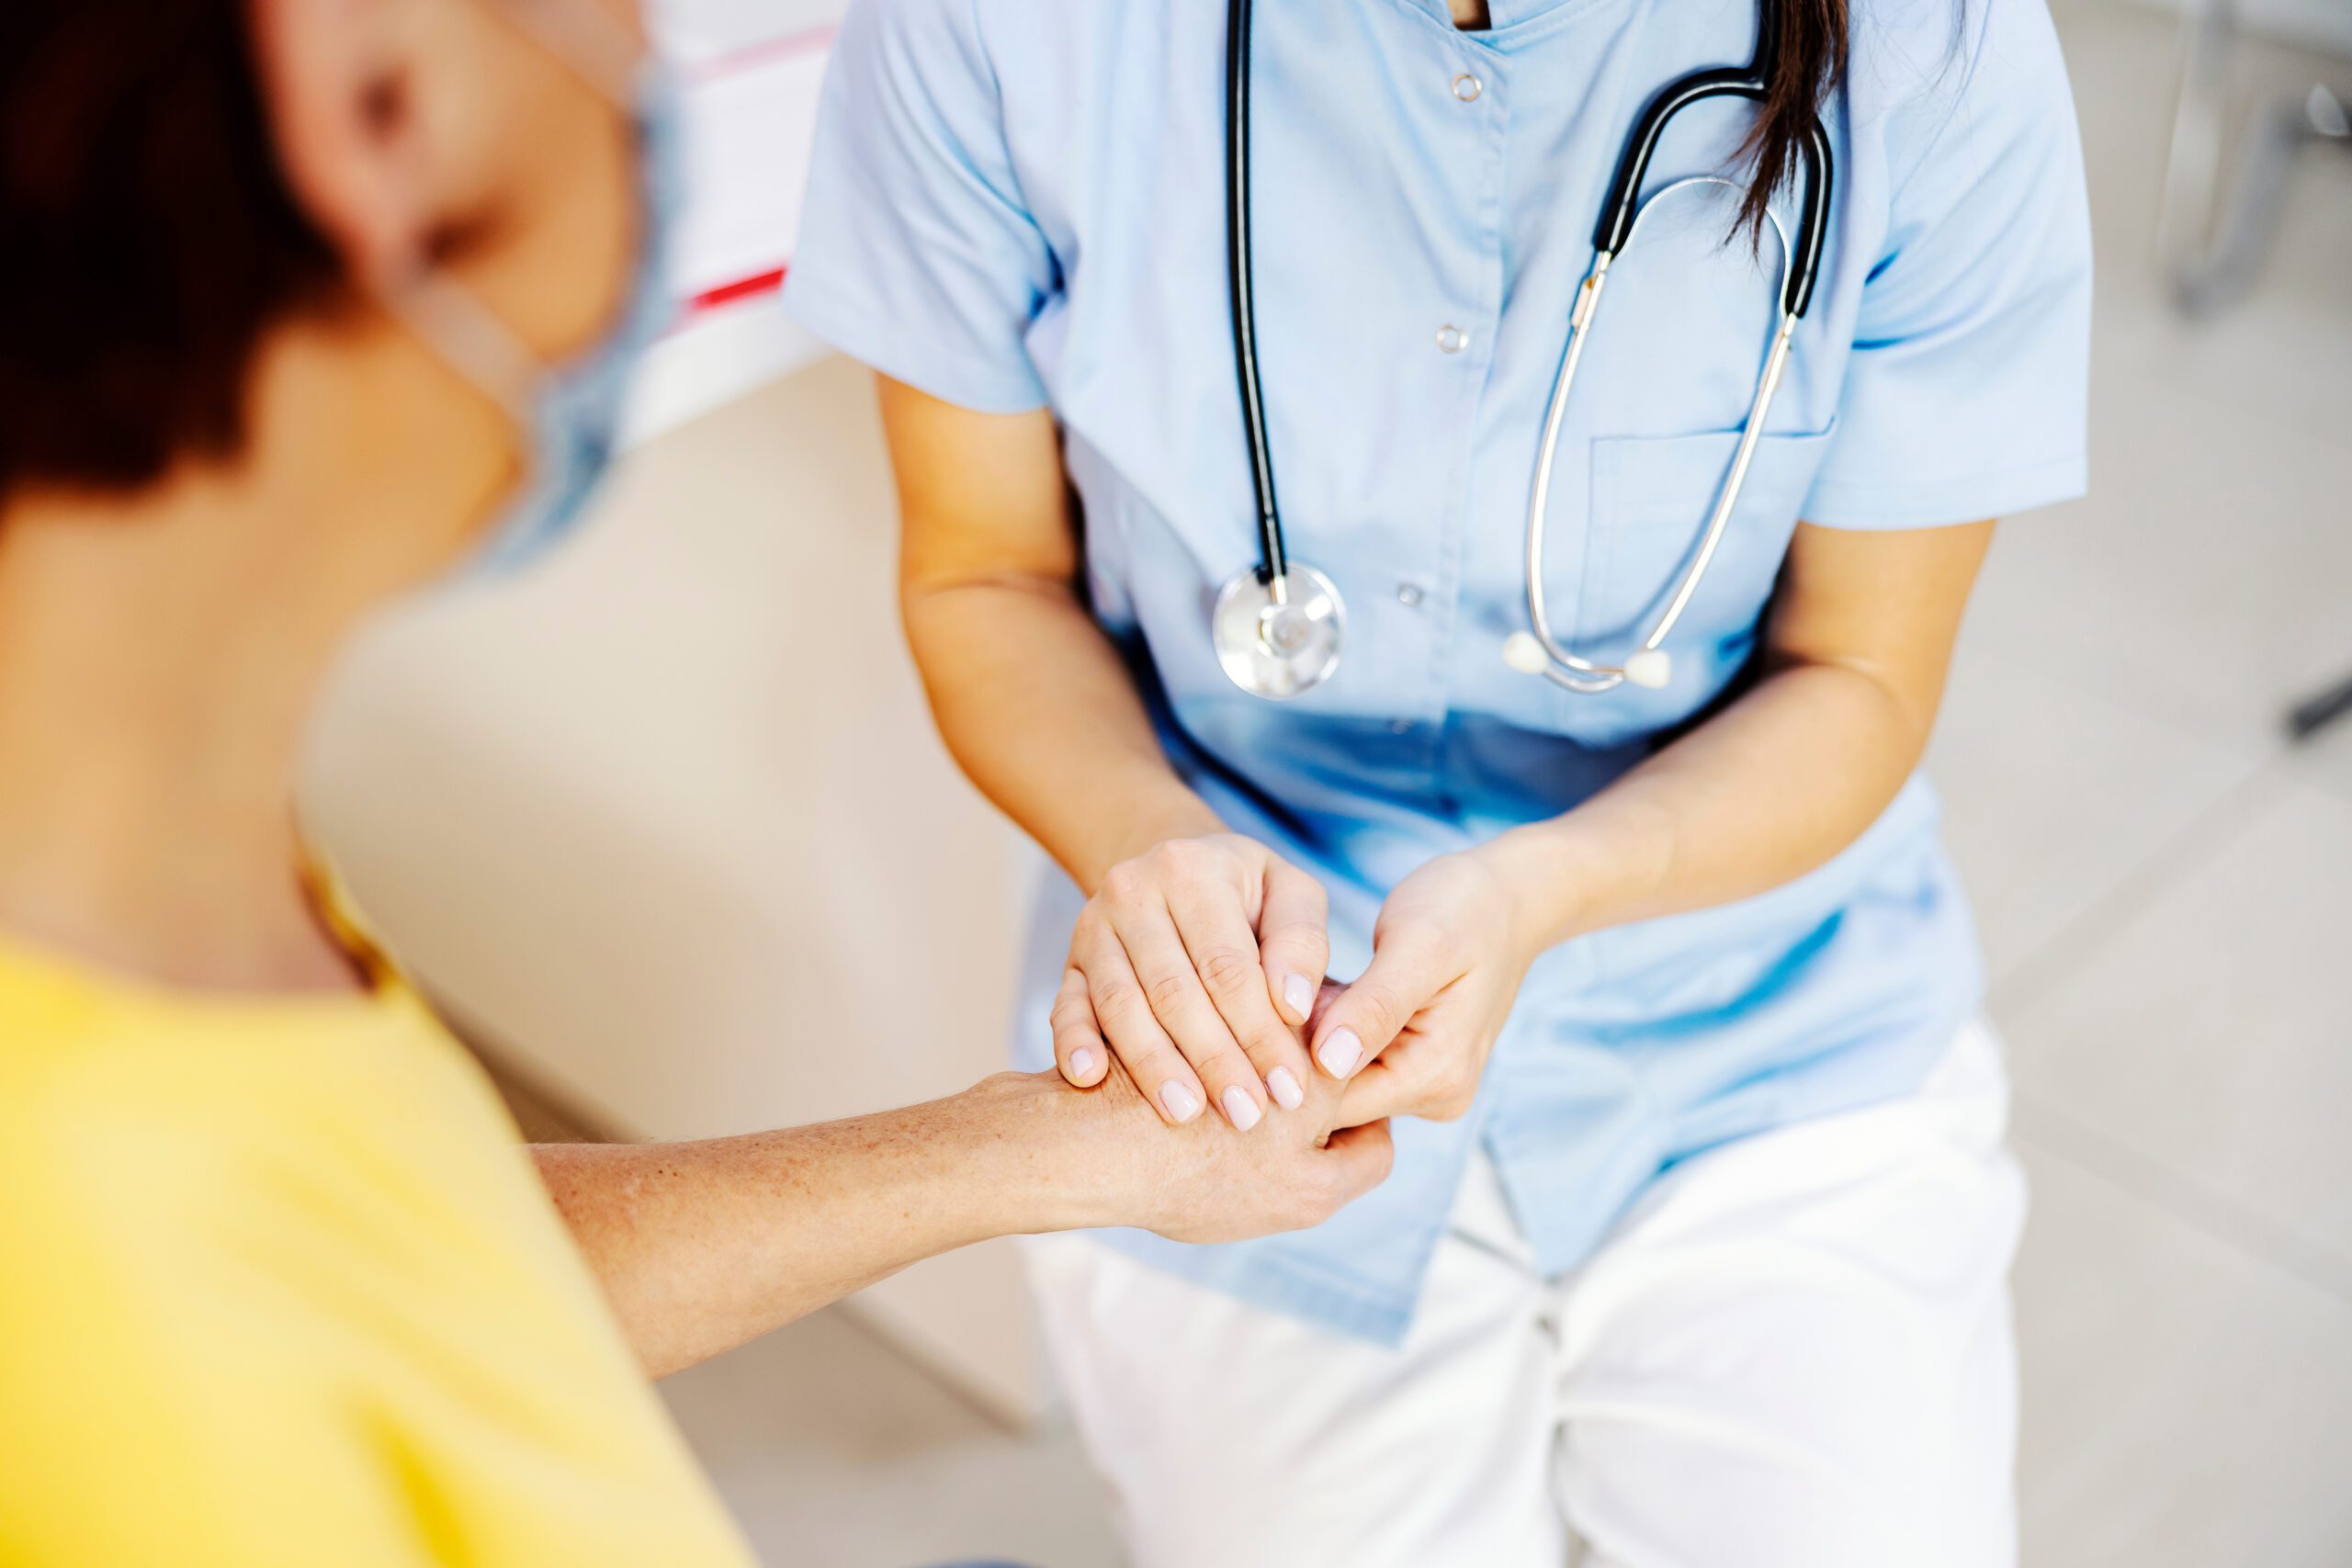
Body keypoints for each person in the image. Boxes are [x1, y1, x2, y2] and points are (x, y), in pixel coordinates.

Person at [0, 1, 1394, 1562]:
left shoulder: (137, 835)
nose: (655, 63)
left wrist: (1051, 1148)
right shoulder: (103, 1341)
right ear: (372, 85)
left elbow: (373, 1253)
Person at [781, 0, 2093, 1561]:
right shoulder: (997, 30)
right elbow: (983, 576)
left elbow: (1862, 678)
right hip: (1241, 1040)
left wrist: (1549, 891)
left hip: (1757, 1017)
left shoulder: (1935, 44)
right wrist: (1156, 846)